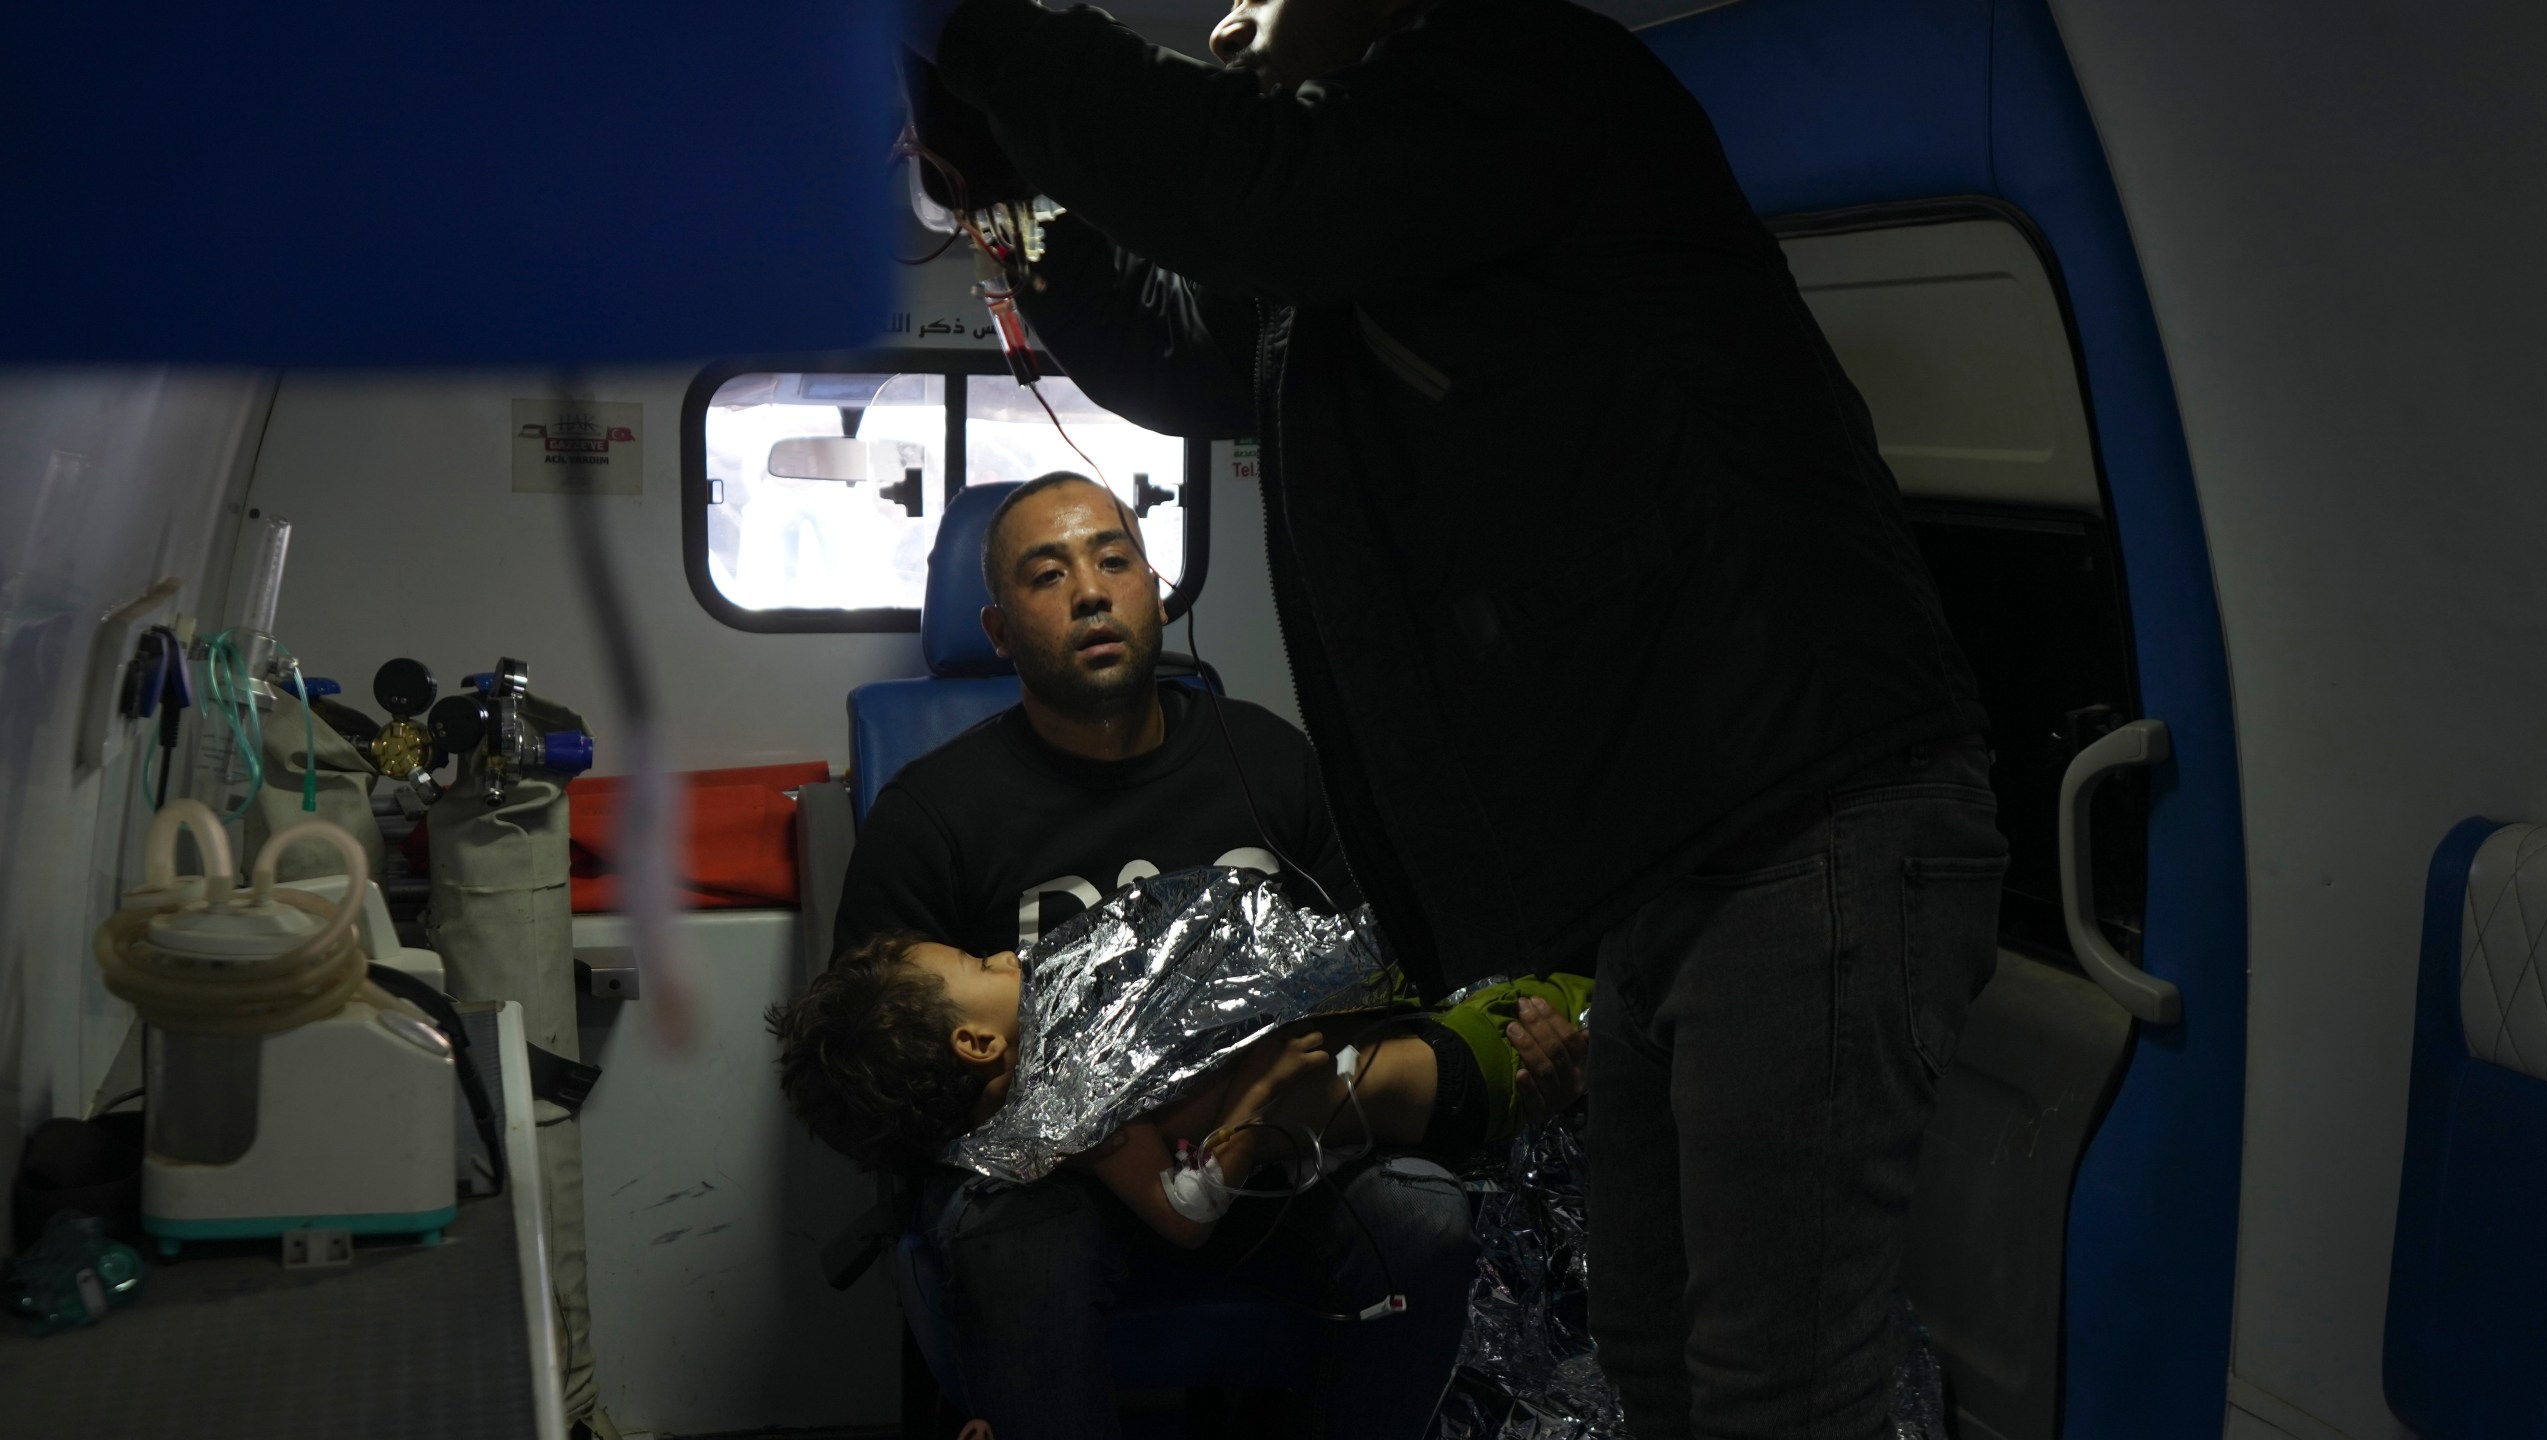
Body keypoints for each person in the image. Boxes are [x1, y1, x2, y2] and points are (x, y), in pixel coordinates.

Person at [898, 4, 2007, 1437]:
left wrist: (987, 27)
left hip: (1802, 812)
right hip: (1671, 862)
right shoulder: (1364, 229)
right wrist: (1011, 194)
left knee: (1777, 1393)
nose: (1230, 20)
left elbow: (1252, 192)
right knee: (1654, 1359)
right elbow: (1178, 349)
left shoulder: (1527, 75)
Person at [831, 471, 1587, 1439]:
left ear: (1153, 586)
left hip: (1285, 1144)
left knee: (1423, 1221)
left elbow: (1385, 973)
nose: (1092, 591)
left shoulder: (1268, 760)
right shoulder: (933, 817)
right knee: (1020, 1248)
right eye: (1048, 575)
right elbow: (876, 1072)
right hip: (1064, 1190)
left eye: (1113, 560)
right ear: (999, 630)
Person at [771, 929, 1590, 1247]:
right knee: (1618, 1009)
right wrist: (1253, 1113)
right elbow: (1182, 1216)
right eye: (983, 967)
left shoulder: (1084, 1059)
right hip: (1458, 1077)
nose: (1011, 960)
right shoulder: (1073, 1115)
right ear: (976, 1042)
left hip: (1432, 1024)